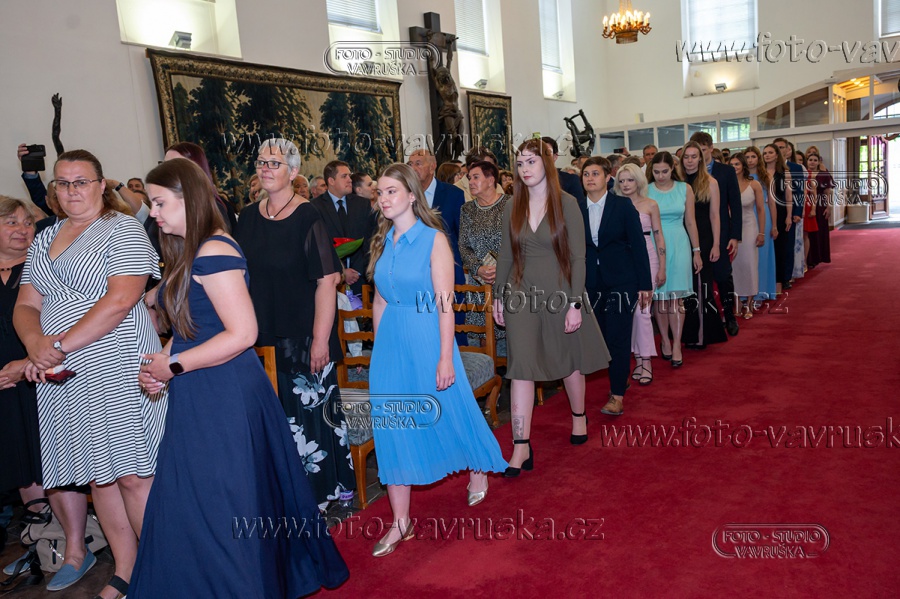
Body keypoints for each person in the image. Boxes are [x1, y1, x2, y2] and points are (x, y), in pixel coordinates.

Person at [129, 157, 349, 596]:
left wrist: (174, 365)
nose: (153, 213)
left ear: (188, 200)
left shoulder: (215, 251)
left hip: (225, 392)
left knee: (227, 500)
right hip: (198, 388)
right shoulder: (189, 250)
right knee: (196, 499)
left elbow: (243, 333)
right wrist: (162, 361)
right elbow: (193, 328)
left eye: (160, 202)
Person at [14, 149, 166, 599]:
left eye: (81, 181)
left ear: (101, 185)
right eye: (62, 183)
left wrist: (55, 347)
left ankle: (163, 571)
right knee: (99, 474)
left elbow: (120, 301)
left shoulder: (122, 229)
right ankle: (126, 569)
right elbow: (26, 302)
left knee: (133, 474)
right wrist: (36, 345)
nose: (71, 190)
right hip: (63, 371)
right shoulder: (46, 235)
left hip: (116, 360)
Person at [366, 163, 507, 557]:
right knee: (393, 426)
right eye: (380, 192)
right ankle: (401, 522)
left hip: (428, 337)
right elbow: (379, 301)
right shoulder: (382, 242)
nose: (384, 199)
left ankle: (477, 467)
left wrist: (446, 357)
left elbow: (446, 304)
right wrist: (380, 351)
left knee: (451, 409)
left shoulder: (434, 240)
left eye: (392, 191)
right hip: (391, 344)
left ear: (412, 196)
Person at [235, 139, 355, 508]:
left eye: (274, 163)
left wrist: (320, 340)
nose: (265, 169)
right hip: (261, 335)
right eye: (261, 162)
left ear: (293, 171)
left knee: (311, 420)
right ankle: (283, 495)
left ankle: (323, 494)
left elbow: (327, 281)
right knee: (273, 420)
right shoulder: (247, 218)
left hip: (304, 336)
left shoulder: (308, 216)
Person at [493, 139, 609, 474]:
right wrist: (498, 295)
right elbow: (506, 255)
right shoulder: (512, 205)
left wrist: (575, 302)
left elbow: (578, 257)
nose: (524, 169)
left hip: (560, 291)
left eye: (531, 162)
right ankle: (520, 445)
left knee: (568, 360)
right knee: (521, 367)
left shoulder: (567, 203)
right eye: (520, 163)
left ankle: (578, 415)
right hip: (520, 294)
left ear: (546, 163)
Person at [0, 197, 58, 580]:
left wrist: (25, 366)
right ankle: (38, 534)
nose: (23, 229)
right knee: (16, 457)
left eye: (27, 222)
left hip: (37, 376)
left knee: (41, 456)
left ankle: (55, 535)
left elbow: (59, 323)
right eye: (11, 222)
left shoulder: (41, 269)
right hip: (1, 385)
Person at [581, 158, 651, 416]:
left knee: (618, 337)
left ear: (607, 178)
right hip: (591, 282)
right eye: (586, 174)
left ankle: (617, 395)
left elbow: (638, 245)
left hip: (623, 280)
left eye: (595, 173)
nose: (590, 178)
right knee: (599, 337)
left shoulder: (622, 206)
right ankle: (621, 376)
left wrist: (645, 284)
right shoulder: (576, 208)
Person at [647, 152, 702, 368]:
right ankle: (665, 340)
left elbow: (691, 222)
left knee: (676, 299)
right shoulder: (646, 190)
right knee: (660, 298)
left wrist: (696, 251)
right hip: (654, 244)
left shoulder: (684, 188)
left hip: (679, 243)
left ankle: (677, 343)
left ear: (672, 168)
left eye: (664, 171)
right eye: (656, 172)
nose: (660, 176)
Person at [407, 149, 467, 345]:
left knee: (452, 324)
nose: (413, 168)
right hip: (415, 271)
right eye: (410, 164)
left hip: (448, 270)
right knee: (420, 327)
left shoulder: (453, 194)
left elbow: (461, 235)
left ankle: (456, 360)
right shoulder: (406, 195)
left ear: (432, 166)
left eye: (418, 163)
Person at [613, 164, 666, 385]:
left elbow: (659, 236)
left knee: (643, 312)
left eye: (630, 180)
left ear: (638, 181)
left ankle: (646, 361)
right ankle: (637, 358)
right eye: (622, 181)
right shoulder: (614, 205)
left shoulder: (650, 204)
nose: (625, 184)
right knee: (629, 313)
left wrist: (662, 266)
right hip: (624, 261)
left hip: (648, 258)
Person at [689, 132, 741, 337]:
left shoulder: (725, 171)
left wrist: (735, 236)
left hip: (721, 233)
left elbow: (735, 205)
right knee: (700, 281)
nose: (699, 155)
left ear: (710, 148)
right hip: (696, 235)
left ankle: (730, 315)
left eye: (702, 150)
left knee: (723, 276)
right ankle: (708, 320)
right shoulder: (686, 174)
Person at [458, 160, 510, 346]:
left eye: (476, 177)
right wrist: (478, 268)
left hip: (509, 279)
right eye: (469, 178)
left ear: (491, 180)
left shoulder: (511, 204)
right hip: (480, 280)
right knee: (484, 337)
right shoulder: (467, 209)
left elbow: (520, 244)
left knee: (515, 333)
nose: (470, 182)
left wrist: (502, 268)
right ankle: (489, 364)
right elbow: (463, 245)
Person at [680, 142, 726, 349]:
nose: (690, 160)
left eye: (693, 156)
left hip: (705, 238)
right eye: (686, 156)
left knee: (702, 286)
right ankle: (687, 333)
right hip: (681, 237)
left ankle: (702, 334)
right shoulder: (677, 182)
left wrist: (716, 244)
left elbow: (715, 215)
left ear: (701, 158)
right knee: (685, 287)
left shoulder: (710, 182)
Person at [311, 160, 375, 296]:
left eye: (349, 175)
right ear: (331, 181)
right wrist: (342, 271)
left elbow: (370, 241)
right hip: (331, 280)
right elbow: (318, 247)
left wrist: (358, 271)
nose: (349, 180)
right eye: (344, 176)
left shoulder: (362, 204)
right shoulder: (315, 207)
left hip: (361, 278)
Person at [163, 142, 237, 233]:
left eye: (174, 165)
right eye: (164, 165)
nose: (165, 171)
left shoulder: (213, 207)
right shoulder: (164, 208)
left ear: (195, 169)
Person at [729, 153, 765, 318]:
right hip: (732, 230)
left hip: (750, 228)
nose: (734, 167)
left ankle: (749, 304)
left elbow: (761, 209)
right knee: (734, 266)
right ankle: (737, 302)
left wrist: (761, 232)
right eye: (731, 164)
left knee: (750, 265)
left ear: (743, 165)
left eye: (737, 164)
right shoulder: (726, 184)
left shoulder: (754, 184)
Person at [744, 146, 778, 304]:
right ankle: (746, 292)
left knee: (763, 257)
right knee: (747, 257)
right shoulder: (740, 177)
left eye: (753, 156)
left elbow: (772, 203)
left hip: (763, 216)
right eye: (747, 157)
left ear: (758, 159)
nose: (750, 160)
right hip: (746, 216)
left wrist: (774, 225)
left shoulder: (766, 178)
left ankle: (761, 292)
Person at [763, 144, 793, 295]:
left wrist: (789, 216)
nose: (767, 155)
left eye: (770, 152)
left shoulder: (784, 173)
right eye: (764, 153)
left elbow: (789, 196)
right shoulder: (760, 173)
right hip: (763, 212)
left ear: (776, 155)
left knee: (780, 248)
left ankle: (780, 281)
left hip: (780, 212)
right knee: (765, 248)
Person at [805, 152, 834, 269]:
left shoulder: (824, 174)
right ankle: (809, 259)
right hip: (807, 204)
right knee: (809, 233)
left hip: (821, 205)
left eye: (815, 160)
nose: (812, 162)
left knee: (820, 231)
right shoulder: (804, 173)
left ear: (818, 162)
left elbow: (828, 192)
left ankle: (819, 257)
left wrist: (829, 207)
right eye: (810, 160)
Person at [542, 136, 586, 203]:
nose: (542, 156)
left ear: (555, 156)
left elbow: (578, 207)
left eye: (547, 152)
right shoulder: (527, 181)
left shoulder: (570, 180)